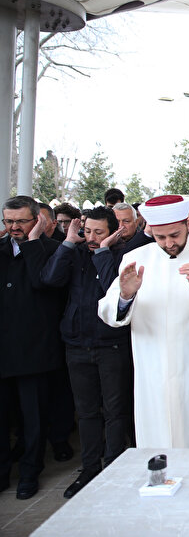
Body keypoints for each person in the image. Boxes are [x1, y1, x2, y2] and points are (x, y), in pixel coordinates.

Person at [98, 195, 189, 448]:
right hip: (153, 370)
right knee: (159, 440)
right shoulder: (135, 259)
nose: (168, 243)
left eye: (174, 235)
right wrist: (126, 295)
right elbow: (108, 311)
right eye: (160, 237)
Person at [40, 207, 132, 498]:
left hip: (112, 345)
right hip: (77, 345)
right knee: (87, 412)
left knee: (115, 412)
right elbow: (51, 280)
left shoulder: (123, 256)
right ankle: (90, 469)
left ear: (114, 231)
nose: (91, 237)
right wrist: (68, 243)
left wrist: (103, 252)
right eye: (87, 231)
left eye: (99, 232)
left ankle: (115, 468)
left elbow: (113, 290)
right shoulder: (74, 252)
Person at [0, 196, 66, 499]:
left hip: (36, 351)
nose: (14, 227)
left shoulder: (52, 250)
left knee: (33, 418)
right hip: (4, 350)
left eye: (20, 221)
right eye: (8, 221)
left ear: (38, 220)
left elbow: (44, 283)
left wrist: (32, 242)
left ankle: (29, 472)